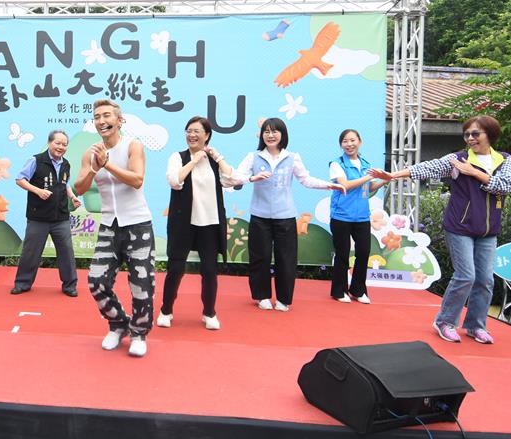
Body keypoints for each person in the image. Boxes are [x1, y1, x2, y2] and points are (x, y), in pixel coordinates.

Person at [370, 115, 511, 344]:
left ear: (490, 134)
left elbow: (506, 186)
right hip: (459, 227)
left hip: (488, 230)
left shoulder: (503, 160)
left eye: (475, 134)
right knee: (466, 276)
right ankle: (445, 322)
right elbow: (427, 168)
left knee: (485, 280)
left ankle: (476, 326)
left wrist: (474, 172)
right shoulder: (457, 159)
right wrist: (393, 175)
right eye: (467, 134)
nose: (470, 138)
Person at [229, 117, 344, 312]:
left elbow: (306, 180)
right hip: (260, 216)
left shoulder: (292, 157)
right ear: (262, 135)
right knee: (260, 257)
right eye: (266, 131)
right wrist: (252, 178)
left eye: (275, 131)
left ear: (283, 134)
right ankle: (262, 296)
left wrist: (330, 185)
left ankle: (284, 299)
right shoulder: (253, 157)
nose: (270, 135)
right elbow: (236, 177)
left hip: (285, 217)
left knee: (286, 259)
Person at [74, 99, 155, 357]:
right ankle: (118, 323)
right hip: (109, 225)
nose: (101, 121)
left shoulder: (133, 145)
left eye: (107, 115)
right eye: (97, 117)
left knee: (142, 285)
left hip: (138, 224)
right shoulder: (90, 153)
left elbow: (137, 179)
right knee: (96, 281)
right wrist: (94, 168)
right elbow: (80, 188)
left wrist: (107, 164)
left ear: (120, 120)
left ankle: (139, 332)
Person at [158, 116, 236, 331]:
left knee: (210, 270)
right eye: (189, 131)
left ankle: (209, 312)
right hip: (183, 223)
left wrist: (217, 157)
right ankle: (166, 310)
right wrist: (193, 160)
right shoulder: (178, 157)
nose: (191, 135)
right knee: (175, 268)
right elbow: (175, 181)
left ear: (207, 135)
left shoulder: (214, 160)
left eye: (197, 131)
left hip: (209, 223)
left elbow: (233, 179)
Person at [11, 130, 83, 296]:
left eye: (64, 144)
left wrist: (72, 197)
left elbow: (65, 183)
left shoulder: (66, 164)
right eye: (58, 143)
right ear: (50, 143)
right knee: (31, 252)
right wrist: (38, 191)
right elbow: (20, 179)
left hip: (61, 217)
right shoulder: (36, 160)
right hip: (38, 217)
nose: (61, 147)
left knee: (67, 252)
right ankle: (22, 283)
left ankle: (70, 286)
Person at [328, 129, 386, 304]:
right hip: (341, 216)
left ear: (359, 142)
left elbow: (368, 188)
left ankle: (358, 290)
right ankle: (339, 291)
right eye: (345, 141)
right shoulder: (337, 164)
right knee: (342, 254)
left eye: (352, 140)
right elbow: (345, 185)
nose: (349, 144)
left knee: (363, 252)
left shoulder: (366, 164)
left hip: (362, 217)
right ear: (341, 145)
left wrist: (386, 179)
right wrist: (367, 177)